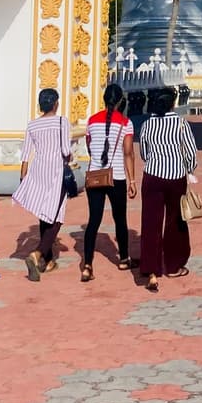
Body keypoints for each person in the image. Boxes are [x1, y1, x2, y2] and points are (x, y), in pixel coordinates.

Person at [138, 85, 198, 292]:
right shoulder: (181, 124)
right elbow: (191, 152)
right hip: (175, 177)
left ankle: (152, 272)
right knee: (175, 222)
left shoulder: (147, 125)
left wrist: (156, 161)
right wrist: (189, 169)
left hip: (152, 176)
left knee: (150, 223)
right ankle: (173, 266)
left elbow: (144, 152)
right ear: (173, 103)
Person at [13, 88, 72, 282]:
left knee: (43, 213)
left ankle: (47, 260)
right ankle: (37, 254)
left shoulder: (33, 125)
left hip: (38, 170)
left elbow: (25, 153)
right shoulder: (62, 122)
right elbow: (65, 150)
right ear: (55, 103)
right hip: (56, 171)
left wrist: (23, 178)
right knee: (57, 215)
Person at [81, 81, 137, 280]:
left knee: (93, 221)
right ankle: (123, 259)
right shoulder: (125, 122)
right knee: (119, 219)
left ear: (104, 99)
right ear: (121, 100)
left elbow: (89, 146)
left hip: (95, 175)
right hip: (117, 176)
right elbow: (128, 153)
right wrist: (132, 181)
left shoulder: (91, 120)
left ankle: (87, 264)